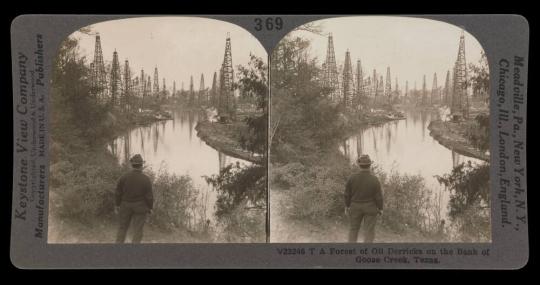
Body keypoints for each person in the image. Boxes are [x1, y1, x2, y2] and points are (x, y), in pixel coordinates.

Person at [115, 154, 153, 243]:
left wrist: (117, 204)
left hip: (125, 206)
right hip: (140, 207)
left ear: (132, 164)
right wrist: (150, 207)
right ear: (142, 165)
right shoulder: (146, 179)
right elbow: (149, 197)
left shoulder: (123, 177)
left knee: (122, 228)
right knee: (138, 230)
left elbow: (118, 193)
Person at [344, 154, 383, 243]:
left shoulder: (352, 178)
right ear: (370, 165)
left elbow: (347, 194)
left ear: (359, 165)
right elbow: (379, 197)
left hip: (355, 207)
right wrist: (380, 208)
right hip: (370, 207)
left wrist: (347, 206)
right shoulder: (375, 179)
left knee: (353, 229)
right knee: (369, 232)